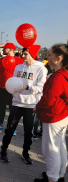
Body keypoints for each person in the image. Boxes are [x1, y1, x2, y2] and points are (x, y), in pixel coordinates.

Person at [0, 45, 47, 164]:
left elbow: (41, 88)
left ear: (33, 54)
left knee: (28, 131)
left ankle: (25, 153)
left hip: (30, 105)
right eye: (22, 53)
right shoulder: (18, 67)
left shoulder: (41, 68)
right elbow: (14, 82)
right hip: (16, 103)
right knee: (10, 129)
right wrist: (13, 90)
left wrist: (28, 87)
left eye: (25, 54)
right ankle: (3, 151)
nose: (22, 56)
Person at [34, 44, 68, 182]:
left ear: (58, 58)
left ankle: (52, 178)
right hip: (62, 114)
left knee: (51, 149)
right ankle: (58, 175)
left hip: (54, 116)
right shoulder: (63, 74)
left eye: (49, 55)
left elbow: (48, 99)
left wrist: (37, 108)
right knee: (60, 146)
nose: (47, 58)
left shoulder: (58, 77)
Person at [0, 43, 24, 131]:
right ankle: (0, 123)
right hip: (1, 88)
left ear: (10, 49)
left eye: (4, 49)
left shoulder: (19, 61)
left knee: (12, 109)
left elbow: (21, 76)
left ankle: (11, 126)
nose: (2, 50)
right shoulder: (1, 60)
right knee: (1, 107)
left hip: (13, 89)